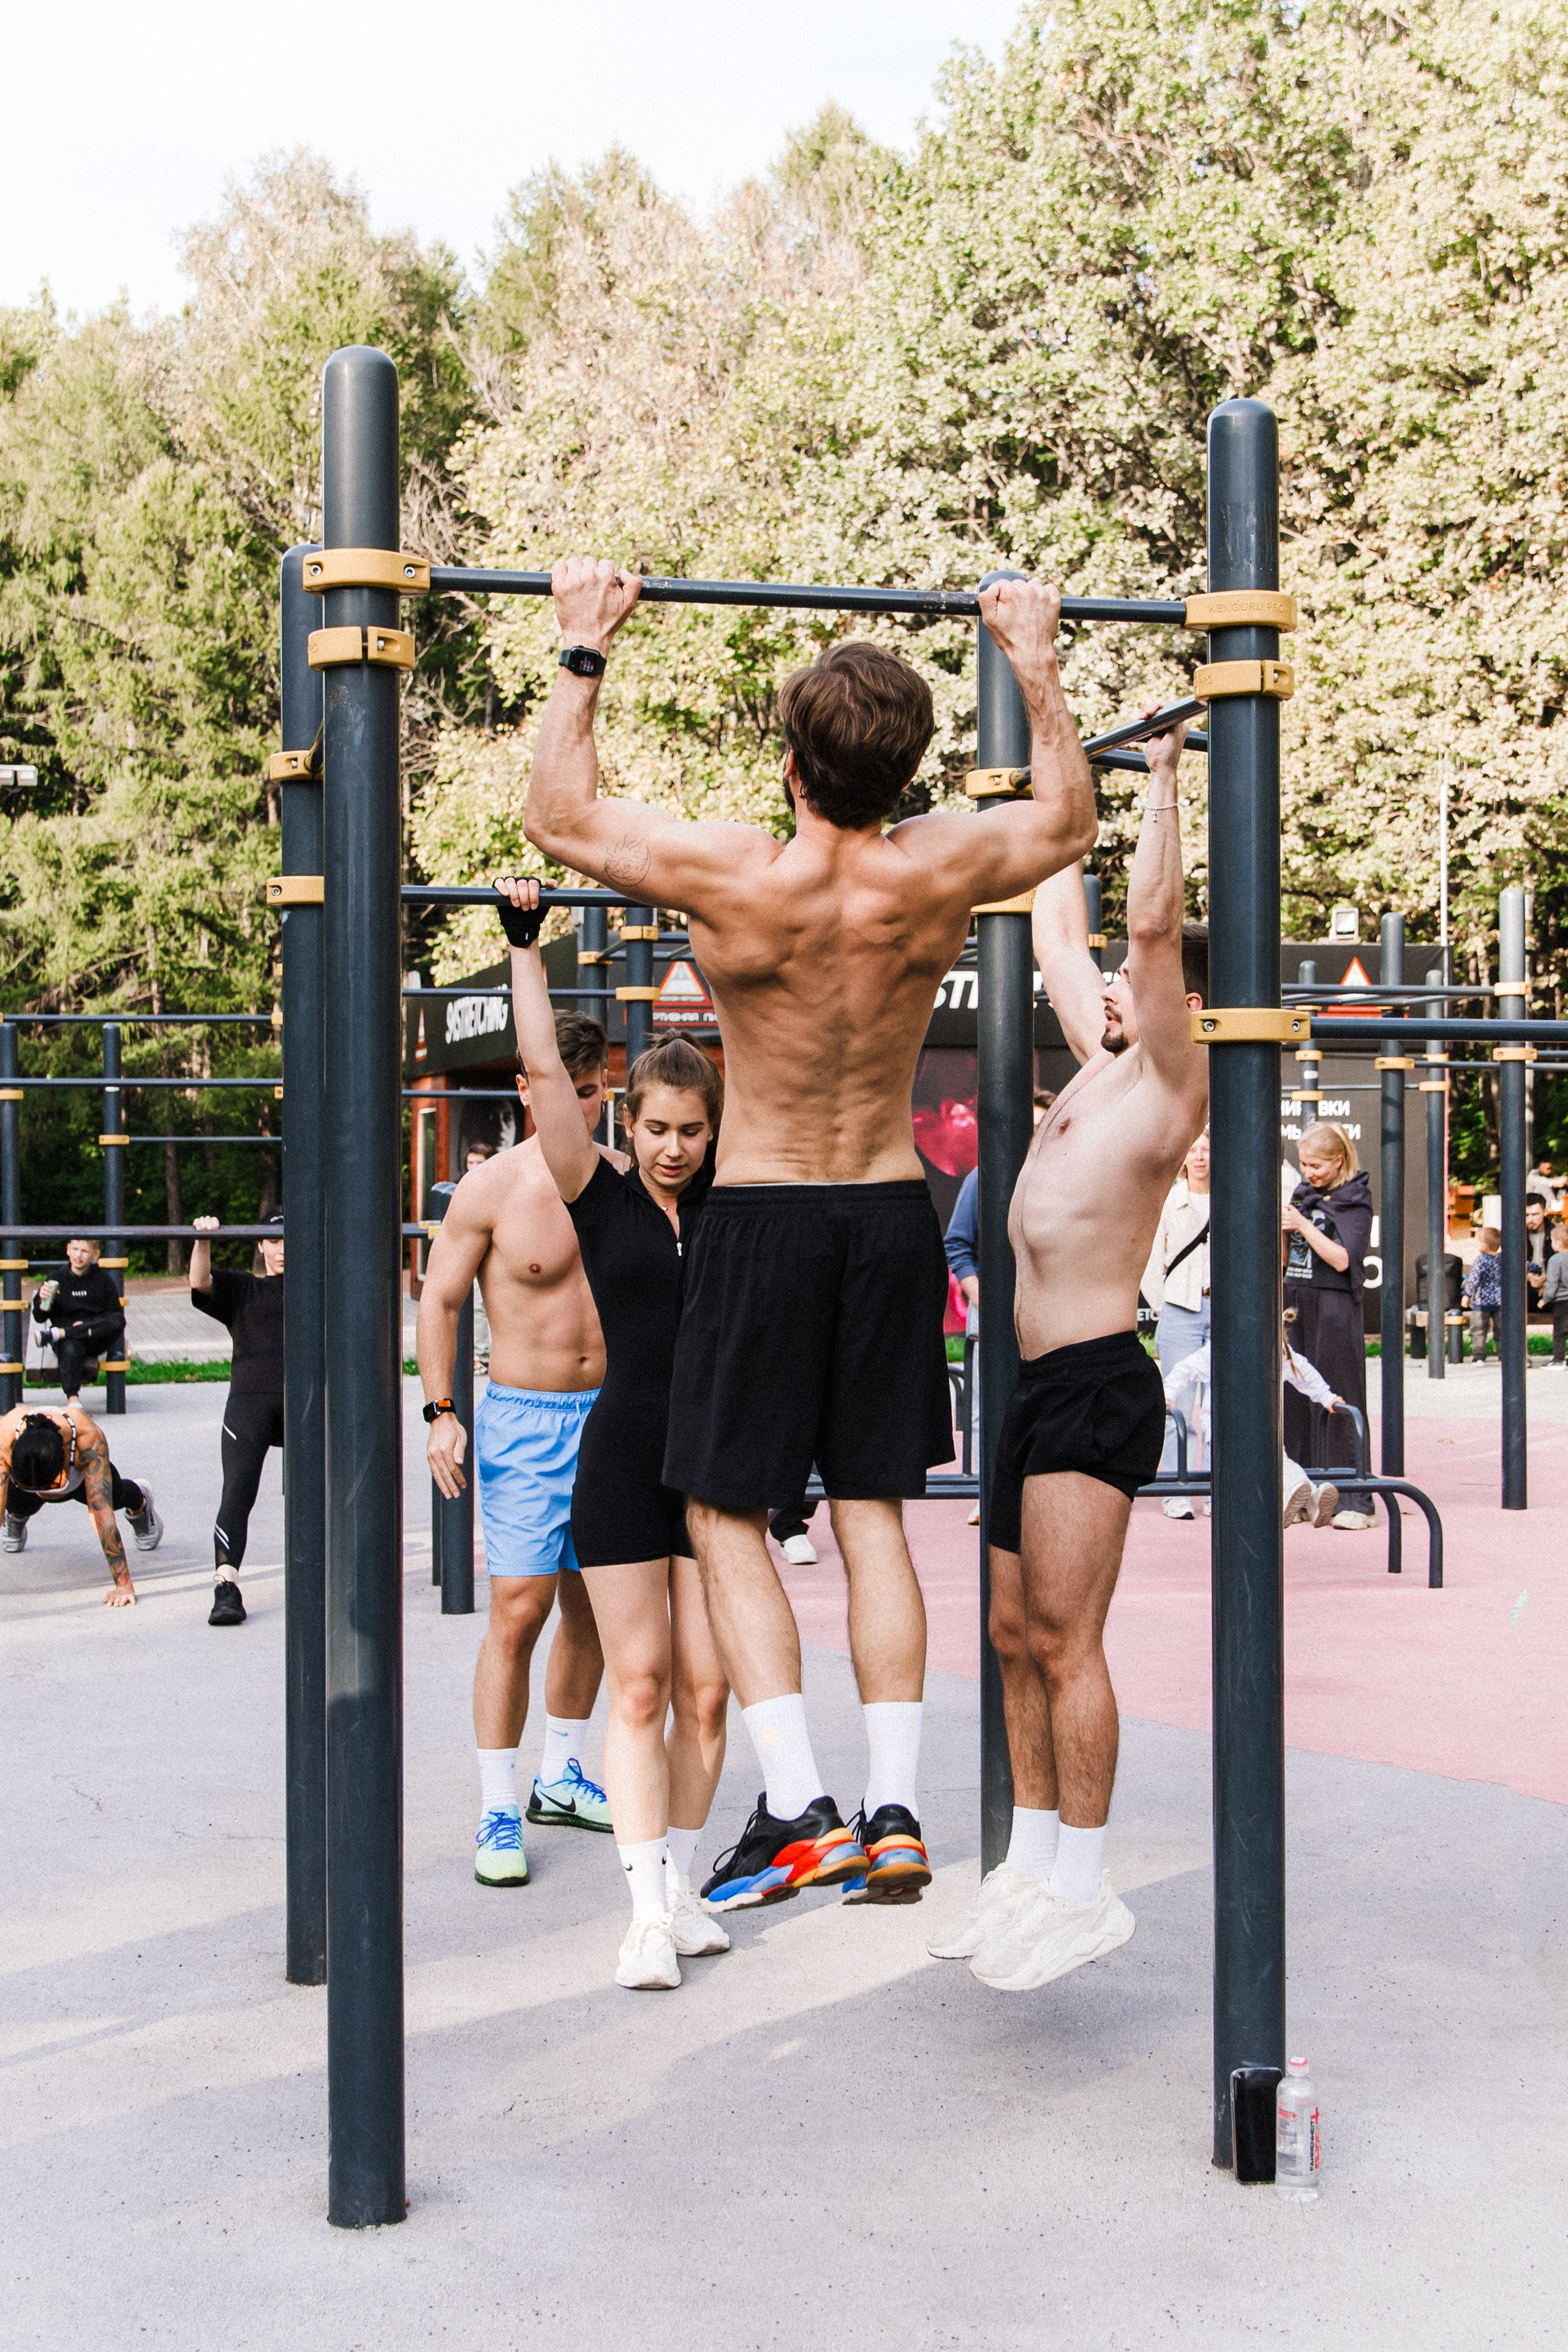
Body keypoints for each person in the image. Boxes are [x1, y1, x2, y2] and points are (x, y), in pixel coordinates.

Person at [523, 558, 1096, 1911]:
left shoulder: (739, 878)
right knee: (873, 1514)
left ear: (789, 761)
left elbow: (556, 815)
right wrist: (1030, 655)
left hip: (767, 1213)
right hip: (887, 1211)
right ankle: (895, 1811)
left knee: (723, 1509)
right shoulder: (940, 864)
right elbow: (1066, 817)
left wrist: (582, 644)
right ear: (903, 773)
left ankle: (797, 1803)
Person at [927, 714, 1208, 1992]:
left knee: (1064, 1638)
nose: (1103, 985)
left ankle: (1086, 1886)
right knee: (1005, 1629)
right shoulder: (1089, 1065)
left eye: (1132, 991)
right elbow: (1054, 921)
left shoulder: (1163, 1086)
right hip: (1031, 1387)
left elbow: (1147, 935)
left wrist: (1152, 780)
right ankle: (1029, 1867)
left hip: (1097, 1381)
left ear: (1166, 1013)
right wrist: (1051, 739)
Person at [502, 876, 732, 1988]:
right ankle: (643, 1913)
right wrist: (523, 941)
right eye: (656, 1128)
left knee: (709, 1694)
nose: (674, 1147)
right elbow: (546, 1071)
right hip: (624, 1465)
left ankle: (680, 1889)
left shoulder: (743, 1213)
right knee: (637, 1687)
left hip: (721, 1473)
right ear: (625, 1123)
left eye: (691, 1131)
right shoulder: (600, 1198)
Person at [418, 1006, 614, 1887]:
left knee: (598, 1607)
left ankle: (560, 1774)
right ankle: (499, 1807)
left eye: (592, 1091)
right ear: (524, 1089)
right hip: (527, 1419)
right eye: (560, 1093)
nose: (579, 1108)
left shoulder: (627, 1177)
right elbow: (440, 1300)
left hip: (613, 1415)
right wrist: (440, 1410)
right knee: (519, 1611)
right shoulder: (492, 1188)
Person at [189, 1211, 283, 1627]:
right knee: (238, 1492)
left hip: (308, 1403)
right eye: (274, 1241)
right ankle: (226, 1586)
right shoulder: (244, 1288)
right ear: (261, 1246)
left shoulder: (318, 1285)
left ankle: (333, 1577)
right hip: (250, 1403)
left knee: (321, 1492)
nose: (282, 1250)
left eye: (289, 1240)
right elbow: (200, 1283)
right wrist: (203, 1240)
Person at [1282, 1123, 1375, 1529]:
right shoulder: (1303, 1194)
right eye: (1303, 1164)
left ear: (1339, 1160)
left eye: (1316, 1165)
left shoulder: (1355, 1201)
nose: (1309, 1173)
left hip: (1334, 1304)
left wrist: (1302, 1225)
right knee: (1297, 1395)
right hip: (1297, 1299)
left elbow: (1342, 1260)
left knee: (1337, 1392)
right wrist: (1282, 1225)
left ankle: (1357, 1498)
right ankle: (1302, 1492)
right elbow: (1288, 1256)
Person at [0, 1398, 162, 1591]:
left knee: (116, 1497)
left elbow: (102, 1516)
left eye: (50, 1486)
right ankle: (16, 1516)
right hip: (30, 1483)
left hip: (80, 1481)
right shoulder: (5, 1436)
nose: (46, 1493)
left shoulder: (88, 1438)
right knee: (14, 1500)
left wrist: (123, 1585)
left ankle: (141, 1504)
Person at [1144, 1128, 1210, 1519]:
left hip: (1224, 1312)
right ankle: (1176, 1488)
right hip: (1181, 1311)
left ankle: (1219, 1486)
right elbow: (1151, 1261)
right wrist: (1167, 1305)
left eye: (1207, 1149)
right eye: (1194, 1149)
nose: (1200, 1156)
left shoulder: (1233, 1196)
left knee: (1221, 1408)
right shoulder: (1170, 1200)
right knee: (1176, 1404)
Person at [30, 1237, 126, 1400]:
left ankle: (60, 1333)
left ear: (95, 1255)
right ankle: (73, 1399)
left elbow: (115, 1316)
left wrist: (86, 1326)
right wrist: (43, 1300)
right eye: (75, 1249)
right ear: (68, 1250)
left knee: (119, 1321)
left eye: (84, 1251)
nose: (78, 1255)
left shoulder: (103, 1280)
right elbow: (39, 1317)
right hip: (67, 1343)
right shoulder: (56, 1279)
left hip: (93, 1338)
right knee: (71, 1345)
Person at [1463, 1226, 1502, 1363]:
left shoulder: (1481, 1261)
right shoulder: (1502, 1260)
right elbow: (1526, 1265)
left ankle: (1479, 1356)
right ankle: (1503, 1354)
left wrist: (1466, 1294)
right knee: (1501, 1330)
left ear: (1484, 1245)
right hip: (1500, 1301)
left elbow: (1473, 1279)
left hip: (1481, 1302)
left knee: (1479, 1330)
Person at [1542, 1223, 1568, 1363]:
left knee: (1559, 1332)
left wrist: (1545, 1299)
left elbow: (1553, 1283)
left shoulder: (1555, 1260)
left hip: (1561, 1302)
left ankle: (1558, 1359)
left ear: (1557, 1243)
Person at [1524, 1196, 1550, 1316]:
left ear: (1545, 1212)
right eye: (1526, 1215)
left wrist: (1548, 1281)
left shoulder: (1555, 1234)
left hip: (1551, 1286)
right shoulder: (1516, 1234)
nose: (1530, 1219)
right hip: (1525, 1286)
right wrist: (1528, 1278)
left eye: (1535, 1214)